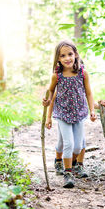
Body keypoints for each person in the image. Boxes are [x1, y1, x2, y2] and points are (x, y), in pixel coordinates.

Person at [43, 40, 96, 188]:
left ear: (76, 54)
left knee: (78, 146)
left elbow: (89, 93)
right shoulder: (57, 76)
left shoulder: (83, 73)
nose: (67, 58)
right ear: (58, 58)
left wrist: (92, 110)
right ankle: (68, 173)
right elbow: (51, 92)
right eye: (63, 56)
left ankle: (70, 163)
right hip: (63, 112)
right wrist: (48, 109)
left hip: (79, 112)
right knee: (68, 143)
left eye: (70, 54)